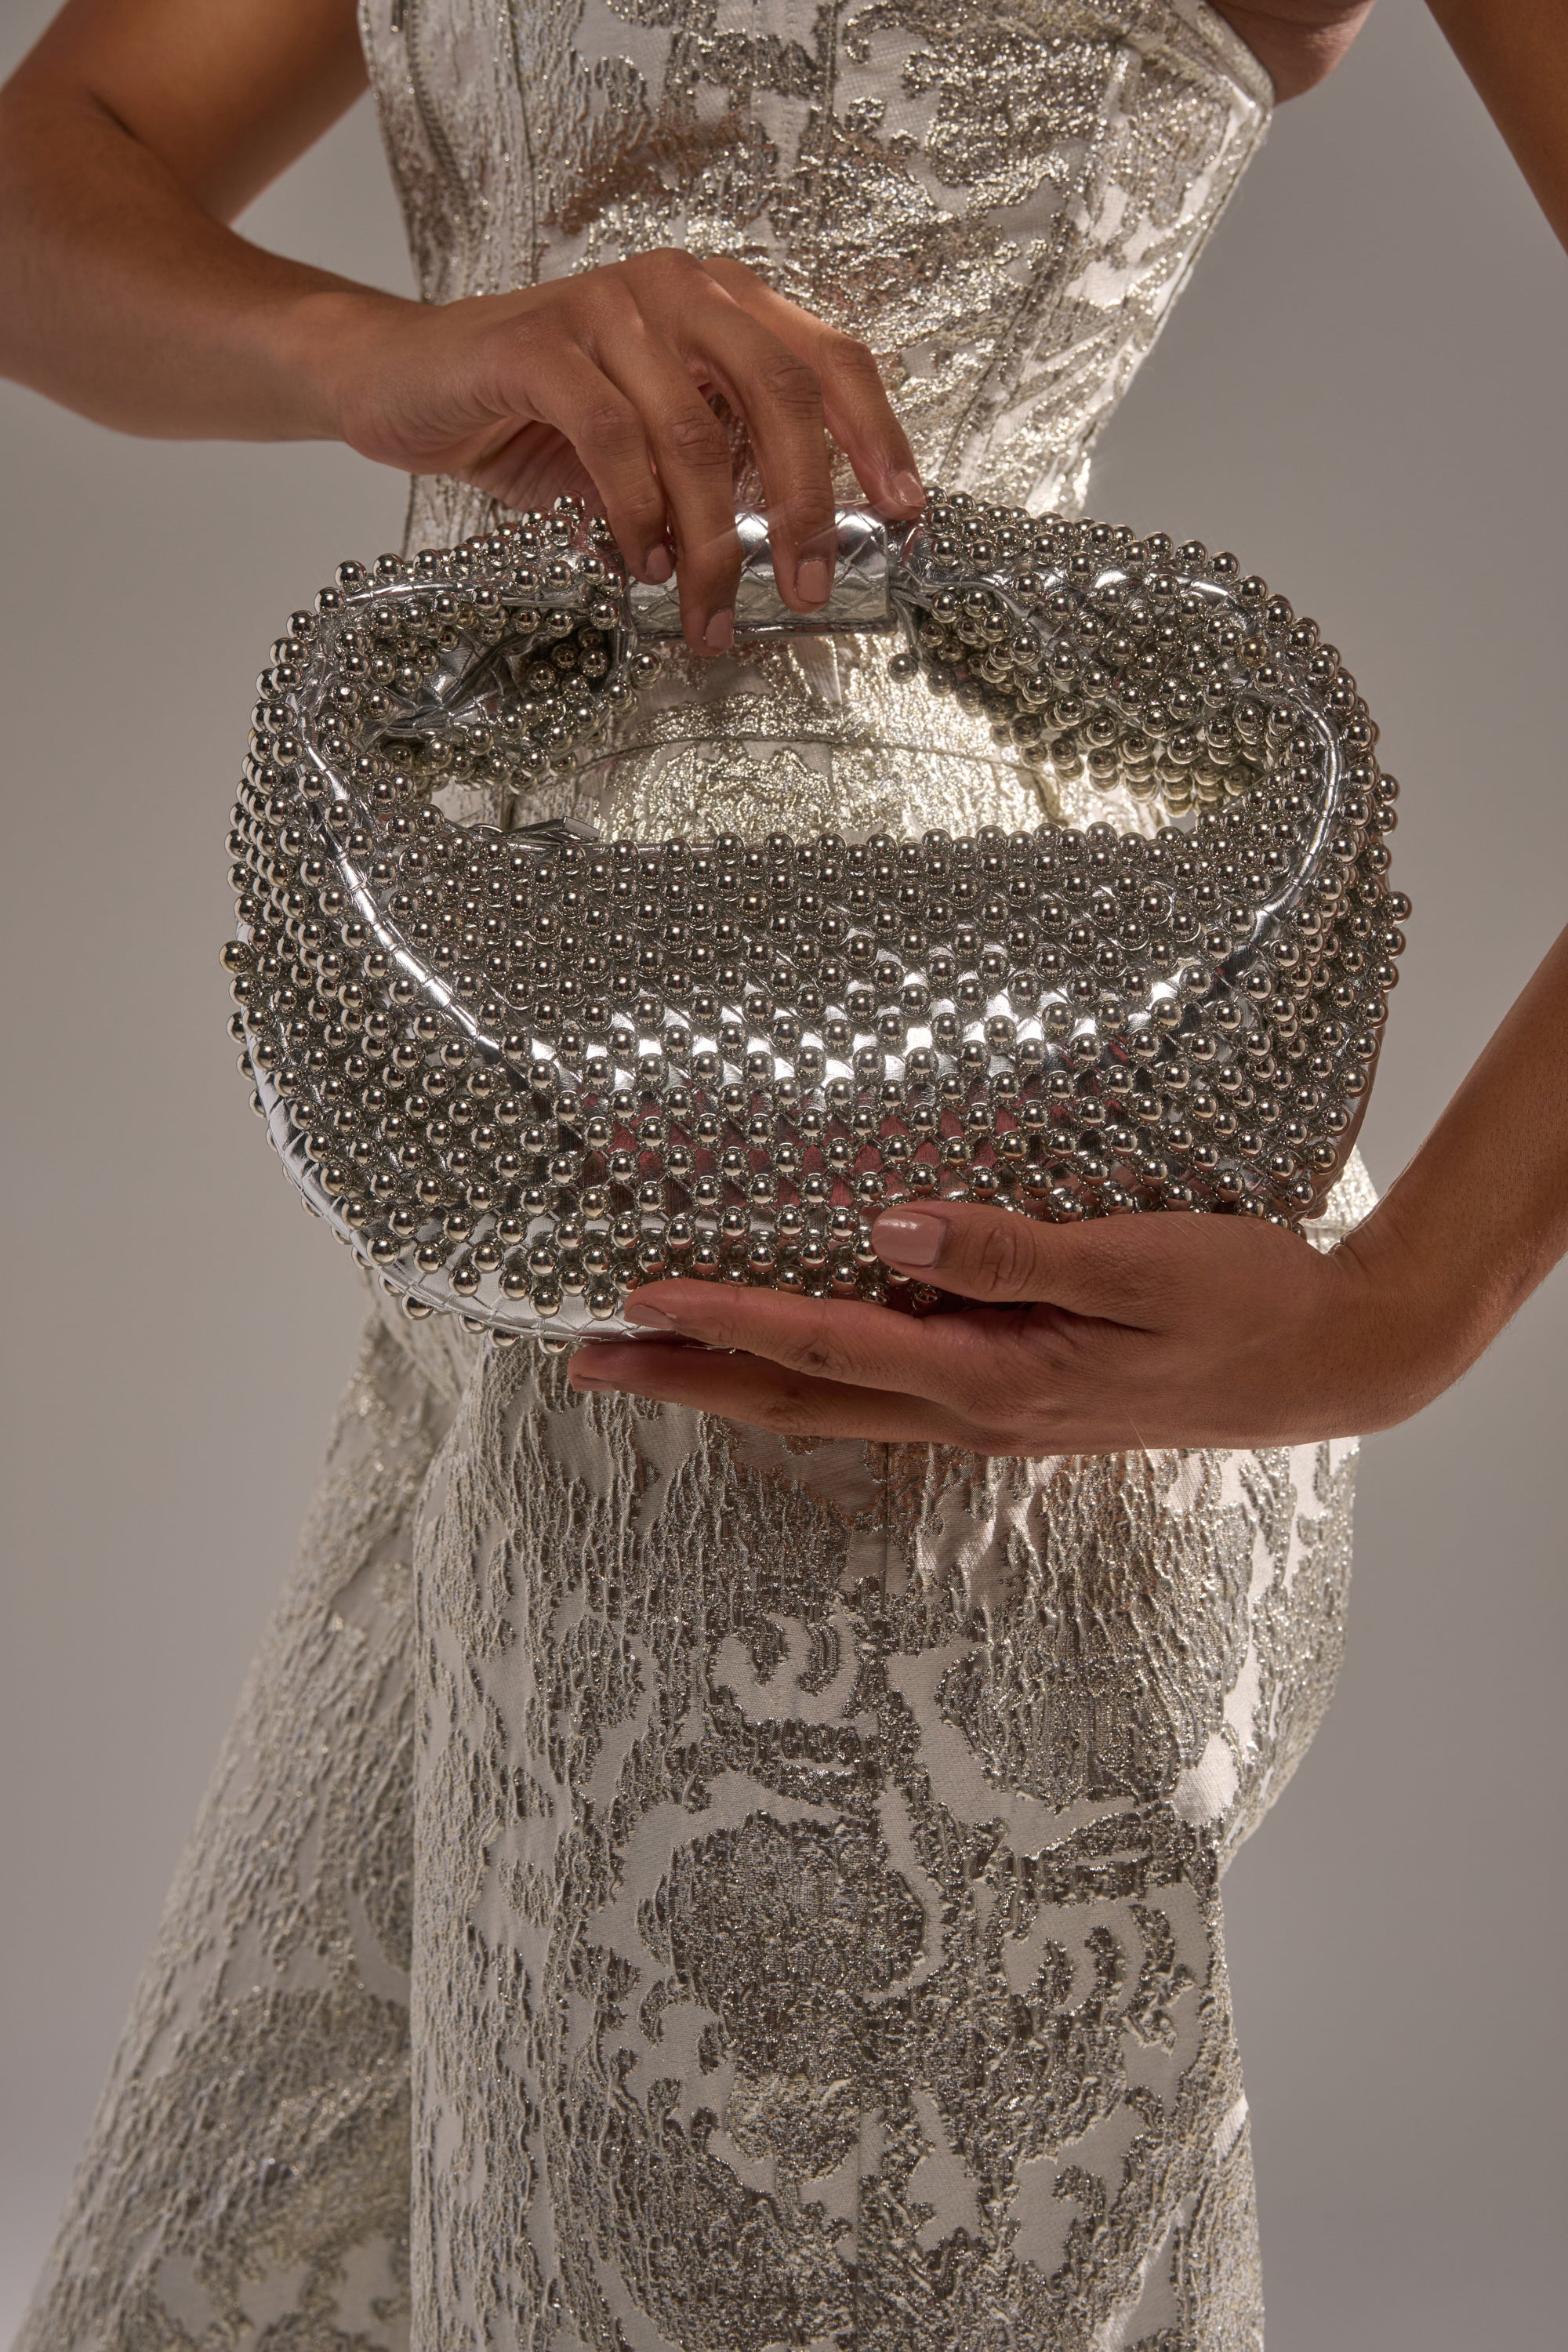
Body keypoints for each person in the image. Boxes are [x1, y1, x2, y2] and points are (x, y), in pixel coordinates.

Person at [3, 1, 1563, 2343]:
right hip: (492, 1163)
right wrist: (368, 345)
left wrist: (1417, 1301)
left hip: (961, 1165)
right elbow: (54, 178)